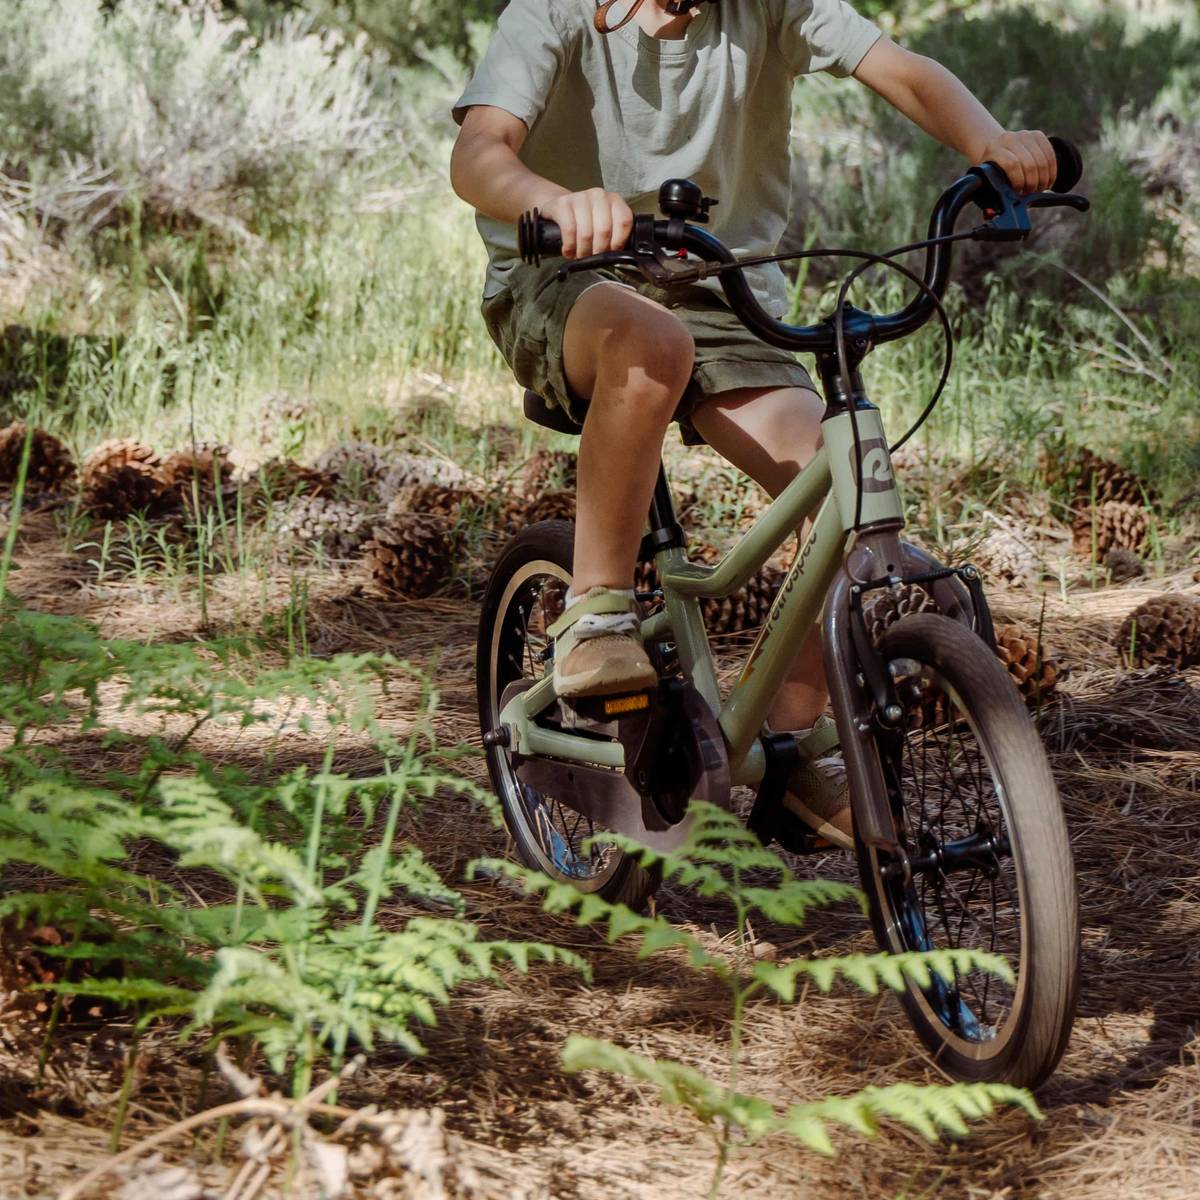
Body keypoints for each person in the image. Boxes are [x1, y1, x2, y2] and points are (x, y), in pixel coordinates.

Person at [450, 0, 1055, 847]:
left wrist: (989, 142)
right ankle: (595, 615)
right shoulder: (554, 10)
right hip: (564, 275)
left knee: (834, 476)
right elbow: (478, 153)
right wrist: (557, 201)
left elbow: (901, 69)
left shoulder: (772, 6)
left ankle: (798, 739)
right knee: (649, 346)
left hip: (720, 293)